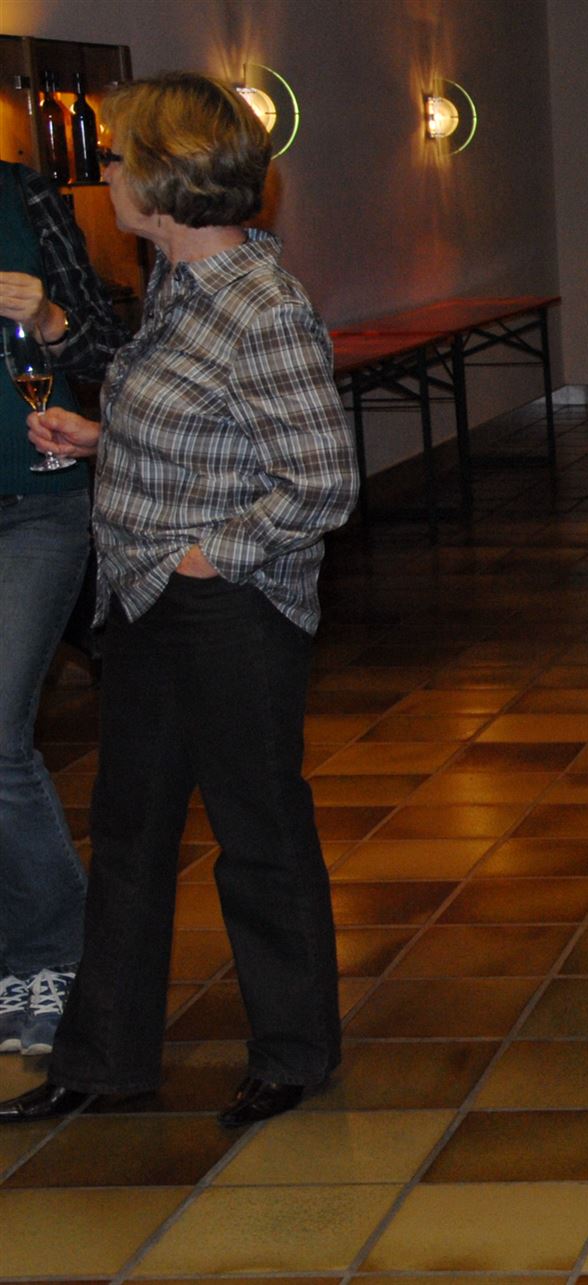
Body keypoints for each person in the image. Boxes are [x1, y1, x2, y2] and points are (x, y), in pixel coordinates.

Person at [0, 72, 359, 1130]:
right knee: (129, 829)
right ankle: (105, 1059)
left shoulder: (262, 305)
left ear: (166, 177)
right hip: (143, 596)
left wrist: (211, 554)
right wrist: (102, 437)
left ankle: (294, 1050)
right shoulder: (174, 283)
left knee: (258, 830)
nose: (102, 172)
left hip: (226, 606)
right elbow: (208, 432)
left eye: (116, 157)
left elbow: (322, 480)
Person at [0, 160, 128, 1057]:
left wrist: (48, 318)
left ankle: (55, 954)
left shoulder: (23, 196)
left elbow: (108, 348)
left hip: (35, 504)